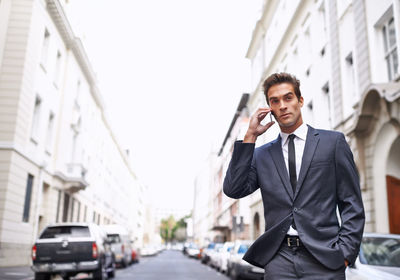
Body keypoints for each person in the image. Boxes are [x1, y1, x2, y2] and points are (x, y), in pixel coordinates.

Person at [223, 72, 365, 279]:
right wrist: (250, 137)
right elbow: (233, 189)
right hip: (279, 260)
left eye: (288, 98)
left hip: (324, 258)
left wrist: (345, 253)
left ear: (300, 101)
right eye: (275, 101)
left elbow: (351, 202)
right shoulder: (262, 155)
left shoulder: (332, 143)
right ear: (270, 108)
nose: (282, 105)